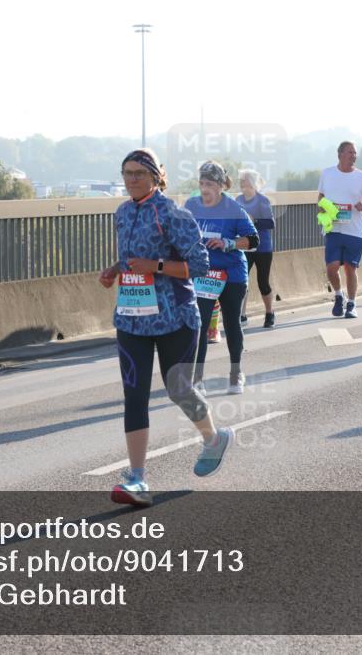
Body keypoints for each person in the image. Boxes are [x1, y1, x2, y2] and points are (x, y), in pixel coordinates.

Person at [99, 149, 234, 506]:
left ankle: (213, 439)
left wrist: (155, 266)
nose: (131, 180)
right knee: (135, 394)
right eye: (126, 173)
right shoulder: (123, 212)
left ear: (156, 176)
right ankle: (138, 480)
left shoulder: (174, 214)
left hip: (175, 318)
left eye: (138, 174)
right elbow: (132, 256)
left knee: (179, 390)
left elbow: (200, 265)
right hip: (131, 318)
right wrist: (115, 269)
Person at [185, 161, 259, 395]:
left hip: (232, 273)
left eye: (209, 184)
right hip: (205, 274)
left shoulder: (233, 209)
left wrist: (227, 243)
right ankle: (197, 380)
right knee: (200, 324)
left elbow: (253, 240)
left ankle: (236, 374)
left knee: (231, 322)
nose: (204, 189)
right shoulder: (191, 205)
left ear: (220, 185)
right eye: (201, 183)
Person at [318, 142, 362, 318]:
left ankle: (351, 304)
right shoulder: (327, 173)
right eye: (350, 152)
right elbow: (321, 197)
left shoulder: (361, 177)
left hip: (354, 230)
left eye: (355, 153)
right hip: (333, 228)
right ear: (340, 154)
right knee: (331, 268)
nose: (353, 156)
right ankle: (338, 295)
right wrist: (323, 208)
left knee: (350, 268)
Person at [236, 169, 277, 328]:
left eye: (244, 180)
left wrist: (255, 221)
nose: (241, 182)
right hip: (245, 247)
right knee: (241, 281)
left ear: (252, 183)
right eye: (240, 180)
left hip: (263, 248)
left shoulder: (262, 200)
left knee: (263, 283)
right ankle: (242, 315)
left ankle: (269, 313)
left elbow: (271, 223)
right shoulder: (238, 200)